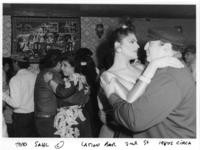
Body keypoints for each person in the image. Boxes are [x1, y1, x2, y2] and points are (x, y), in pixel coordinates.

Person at [103, 27, 196, 138]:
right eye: (132, 42)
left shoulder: (168, 76)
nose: (143, 46)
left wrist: (112, 96)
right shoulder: (168, 67)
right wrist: (153, 65)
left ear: (166, 48)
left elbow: (134, 120)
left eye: (150, 43)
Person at [43, 53, 92, 137]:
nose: (62, 68)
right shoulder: (80, 77)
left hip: (72, 116)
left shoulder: (74, 77)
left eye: (65, 65)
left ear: (74, 66)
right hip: (77, 114)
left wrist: (50, 81)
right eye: (61, 65)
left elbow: (63, 93)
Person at [3, 55, 37, 137]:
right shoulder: (34, 76)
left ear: (16, 63)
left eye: (13, 62)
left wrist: (3, 95)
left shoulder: (15, 79)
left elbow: (16, 104)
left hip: (20, 117)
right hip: (33, 115)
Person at [34, 50, 64, 137]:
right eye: (63, 64)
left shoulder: (43, 72)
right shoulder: (54, 74)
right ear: (59, 63)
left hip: (41, 116)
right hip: (49, 118)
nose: (63, 68)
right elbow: (63, 93)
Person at [75, 48, 102, 137]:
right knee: (91, 119)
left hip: (83, 98)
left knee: (85, 119)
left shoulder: (76, 68)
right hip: (91, 98)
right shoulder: (93, 67)